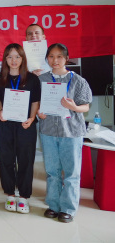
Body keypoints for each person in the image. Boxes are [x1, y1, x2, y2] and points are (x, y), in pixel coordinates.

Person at [38, 43, 92, 223]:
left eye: (59, 56)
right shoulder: (41, 79)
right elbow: (36, 104)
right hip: (48, 131)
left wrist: (74, 107)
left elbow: (85, 106)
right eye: (51, 56)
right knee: (52, 171)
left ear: (67, 58)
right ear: (47, 58)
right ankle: (53, 205)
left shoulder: (78, 81)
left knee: (71, 172)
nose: (55, 60)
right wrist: (39, 113)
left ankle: (68, 208)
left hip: (72, 132)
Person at [0, 43, 41, 214]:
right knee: (6, 158)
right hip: (6, 124)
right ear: (5, 59)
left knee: (26, 159)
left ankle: (24, 197)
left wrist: (32, 118)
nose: (14, 60)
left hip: (25, 124)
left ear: (23, 58)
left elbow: (35, 101)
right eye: (10, 57)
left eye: (17, 57)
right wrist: (0, 111)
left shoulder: (32, 79)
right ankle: (10, 194)